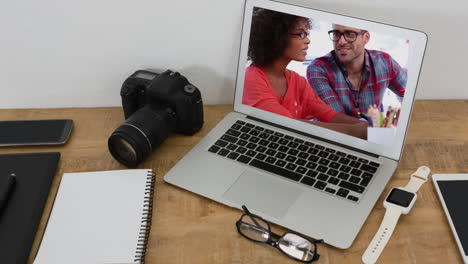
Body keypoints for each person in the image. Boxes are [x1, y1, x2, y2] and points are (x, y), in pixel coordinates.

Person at [242, 8, 367, 139]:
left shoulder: (297, 81)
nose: (307, 40)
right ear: (277, 37)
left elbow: (329, 115)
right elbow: (286, 126)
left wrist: (366, 127)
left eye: (306, 34)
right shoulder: (252, 79)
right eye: (300, 34)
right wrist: (353, 131)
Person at [306, 24, 407, 118]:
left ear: (366, 38)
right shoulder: (319, 68)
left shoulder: (385, 62)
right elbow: (337, 120)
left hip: (372, 133)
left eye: (350, 34)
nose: (341, 42)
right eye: (336, 34)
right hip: (334, 134)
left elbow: (410, 94)